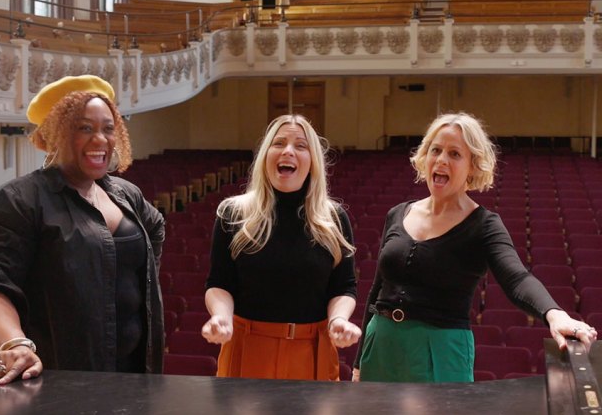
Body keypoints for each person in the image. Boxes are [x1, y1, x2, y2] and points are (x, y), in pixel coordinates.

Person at [353, 112, 598, 383]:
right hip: (381, 344)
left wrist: (555, 315)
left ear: (473, 166)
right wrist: (358, 362)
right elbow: (377, 290)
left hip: (441, 349)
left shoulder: (484, 225)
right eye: (436, 150)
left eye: (455, 154)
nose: (442, 159)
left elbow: (517, 278)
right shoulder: (397, 213)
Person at [0, 75, 165, 384]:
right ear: (54, 135)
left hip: (137, 376)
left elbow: (156, 227)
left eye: (108, 128)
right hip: (61, 377)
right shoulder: (21, 199)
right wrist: (14, 344)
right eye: (84, 128)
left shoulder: (126, 194)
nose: (100, 139)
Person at [201, 114, 361, 380]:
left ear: (313, 161)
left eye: (300, 145)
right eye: (279, 143)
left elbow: (344, 286)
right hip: (247, 345)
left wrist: (339, 320)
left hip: (312, 350)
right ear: (265, 155)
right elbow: (219, 282)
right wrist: (221, 317)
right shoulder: (232, 213)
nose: (288, 151)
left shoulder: (334, 218)